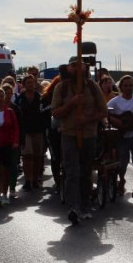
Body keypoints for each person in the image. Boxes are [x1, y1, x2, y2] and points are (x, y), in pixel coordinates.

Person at [51, 59, 107, 224]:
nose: (77, 68)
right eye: (73, 65)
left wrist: (87, 119)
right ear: (68, 68)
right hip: (68, 134)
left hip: (89, 135)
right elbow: (55, 112)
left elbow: (103, 111)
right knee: (72, 172)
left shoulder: (92, 86)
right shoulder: (61, 87)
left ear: (85, 68)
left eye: (80, 65)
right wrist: (71, 103)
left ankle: (85, 206)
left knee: (86, 172)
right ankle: (73, 208)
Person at [14, 73, 46, 191]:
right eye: (28, 83)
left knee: (38, 156)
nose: (30, 85)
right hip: (25, 131)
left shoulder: (41, 97)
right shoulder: (20, 98)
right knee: (27, 156)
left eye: (32, 82)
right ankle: (28, 180)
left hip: (38, 130)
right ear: (24, 85)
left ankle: (35, 179)